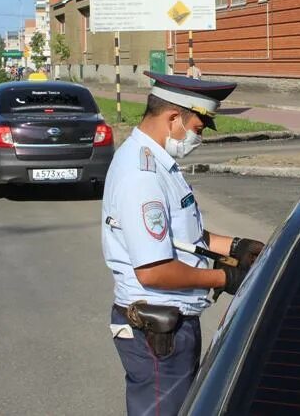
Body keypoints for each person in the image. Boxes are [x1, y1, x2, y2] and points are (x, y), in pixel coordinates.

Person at [102, 71, 265, 415]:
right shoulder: (141, 177)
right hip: (158, 330)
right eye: (198, 128)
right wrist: (227, 278)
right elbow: (155, 271)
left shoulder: (158, 163)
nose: (198, 137)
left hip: (171, 324)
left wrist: (234, 246)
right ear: (174, 117)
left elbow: (180, 237)